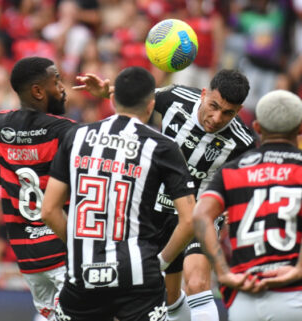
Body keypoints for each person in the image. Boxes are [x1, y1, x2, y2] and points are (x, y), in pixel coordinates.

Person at [74, 68, 255, 321]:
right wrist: (106, 92)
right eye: (213, 106)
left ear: (239, 111)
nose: (216, 118)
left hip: (199, 211)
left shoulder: (244, 142)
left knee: (197, 282)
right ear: (204, 93)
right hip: (154, 207)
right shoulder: (174, 97)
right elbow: (136, 100)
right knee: (169, 297)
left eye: (228, 113)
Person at [41, 66, 196, 321]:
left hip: (83, 273)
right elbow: (189, 220)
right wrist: (161, 263)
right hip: (139, 273)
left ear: (112, 100)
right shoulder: (163, 147)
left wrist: (80, 246)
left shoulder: (75, 136)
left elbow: (48, 210)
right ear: (151, 105)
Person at [193, 90, 302, 321]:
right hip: (293, 291)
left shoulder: (231, 170)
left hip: (244, 296)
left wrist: (223, 273)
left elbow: (200, 214)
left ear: (257, 128)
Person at [0, 56, 76, 320]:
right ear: (38, 91)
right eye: (56, 81)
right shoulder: (66, 131)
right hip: (64, 252)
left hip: (28, 257)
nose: (62, 87)